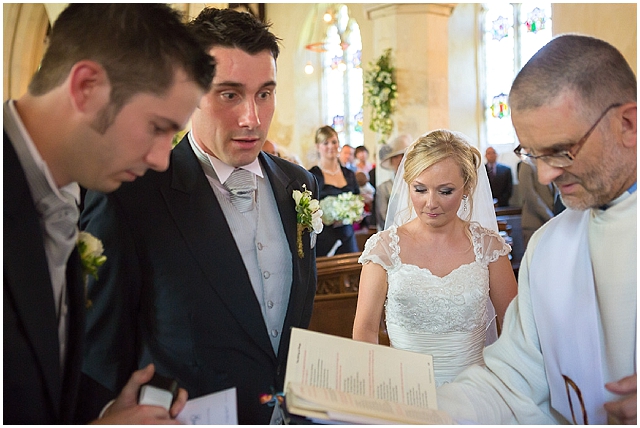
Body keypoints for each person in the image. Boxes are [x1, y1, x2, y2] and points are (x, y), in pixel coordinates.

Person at [78, 8, 318, 425]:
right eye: (229, 94)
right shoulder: (132, 196)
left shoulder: (297, 185)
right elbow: (100, 347)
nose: (252, 118)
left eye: (265, 93)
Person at [3, 4, 214, 425]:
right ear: (85, 87)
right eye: (158, 127)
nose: (161, 160)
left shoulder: (67, 194)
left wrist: (102, 410)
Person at [437, 34, 636, 425]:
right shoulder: (549, 247)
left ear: (627, 123)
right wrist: (413, 415)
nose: (545, 175)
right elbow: (511, 384)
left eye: (561, 151)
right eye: (532, 154)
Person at [353, 130, 517, 386]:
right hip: (404, 393)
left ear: (467, 188)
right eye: (420, 189)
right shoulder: (383, 249)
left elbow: (513, 327)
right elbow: (365, 331)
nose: (431, 203)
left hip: (476, 394)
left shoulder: (489, 247)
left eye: (445, 191)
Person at [309, 126, 360, 256]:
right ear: (317, 146)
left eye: (334, 142)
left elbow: (358, 200)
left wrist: (354, 213)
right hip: (324, 239)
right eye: (325, 143)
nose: (331, 146)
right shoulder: (312, 175)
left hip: (347, 236)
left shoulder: (349, 174)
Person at [518, 159, 559, 248]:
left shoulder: (550, 163)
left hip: (551, 223)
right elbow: (529, 195)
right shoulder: (527, 164)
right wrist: (550, 216)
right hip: (534, 223)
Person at [375, 134, 413, 229]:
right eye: (396, 157)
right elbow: (383, 215)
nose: (401, 160)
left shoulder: (418, 184)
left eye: (404, 156)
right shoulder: (384, 187)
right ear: (392, 160)